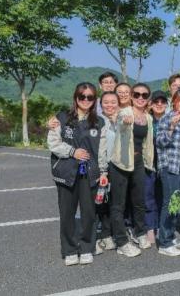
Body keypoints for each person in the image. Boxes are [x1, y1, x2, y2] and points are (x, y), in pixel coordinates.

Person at [47, 82, 105, 266]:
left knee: (88, 213)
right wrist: (73, 152)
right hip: (66, 172)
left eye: (90, 97)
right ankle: (70, 249)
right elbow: (53, 143)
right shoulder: (61, 117)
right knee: (67, 213)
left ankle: (87, 247)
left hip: (89, 173)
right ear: (76, 97)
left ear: (94, 100)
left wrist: (103, 171)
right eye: (82, 96)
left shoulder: (98, 121)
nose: (86, 100)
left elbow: (102, 150)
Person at [108, 83, 155, 257]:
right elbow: (121, 122)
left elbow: (147, 142)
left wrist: (148, 161)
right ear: (132, 96)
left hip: (138, 162)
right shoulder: (125, 112)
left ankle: (140, 232)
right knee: (118, 204)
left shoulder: (147, 118)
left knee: (139, 201)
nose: (140, 98)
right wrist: (125, 122)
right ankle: (121, 241)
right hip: (121, 162)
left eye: (144, 95)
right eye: (137, 94)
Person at [155, 89, 180, 256]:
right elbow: (160, 142)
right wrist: (171, 127)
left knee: (176, 204)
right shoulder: (166, 118)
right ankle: (164, 243)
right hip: (169, 166)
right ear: (174, 101)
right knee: (169, 203)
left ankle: (170, 236)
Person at [95, 91, 120, 255]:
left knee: (114, 202)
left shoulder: (121, 119)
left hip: (118, 166)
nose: (110, 105)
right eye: (106, 102)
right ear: (100, 104)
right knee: (98, 202)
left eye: (113, 102)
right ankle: (98, 236)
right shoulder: (97, 120)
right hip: (100, 166)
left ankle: (109, 233)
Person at [147, 90, 168, 245]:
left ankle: (162, 227)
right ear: (151, 104)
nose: (159, 104)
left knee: (163, 196)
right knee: (149, 196)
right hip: (149, 163)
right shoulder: (146, 120)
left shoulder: (170, 120)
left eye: (162, 102)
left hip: (165, 164)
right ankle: (150, 228)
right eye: (156, 102)